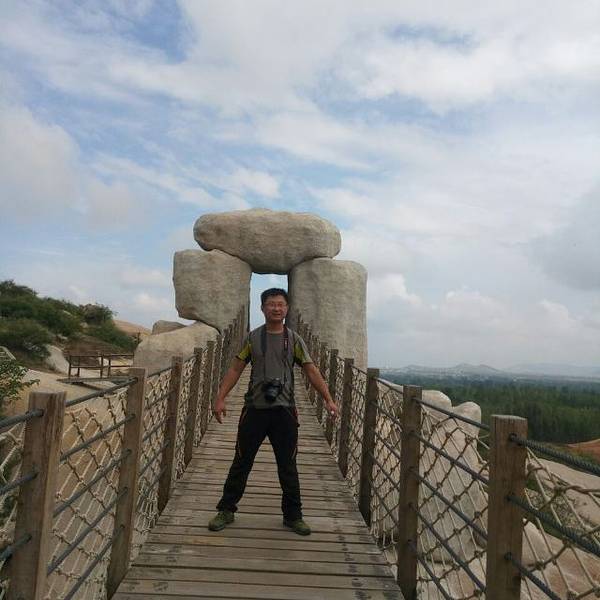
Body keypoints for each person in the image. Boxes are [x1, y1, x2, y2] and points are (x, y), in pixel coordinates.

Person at [208, 288, 339, 536]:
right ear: (262, 308)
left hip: (285, 411)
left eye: (280, 304)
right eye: (271, 304)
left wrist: (329, 400)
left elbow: (311, 370)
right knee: (241, 461)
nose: (276, 308)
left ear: (287, 309)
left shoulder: (295, 340)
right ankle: (226, 510)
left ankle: (293, 516)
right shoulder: (252, 338)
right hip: (254, 409)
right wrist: (220, 397)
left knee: (287, 465)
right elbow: (236, 368)